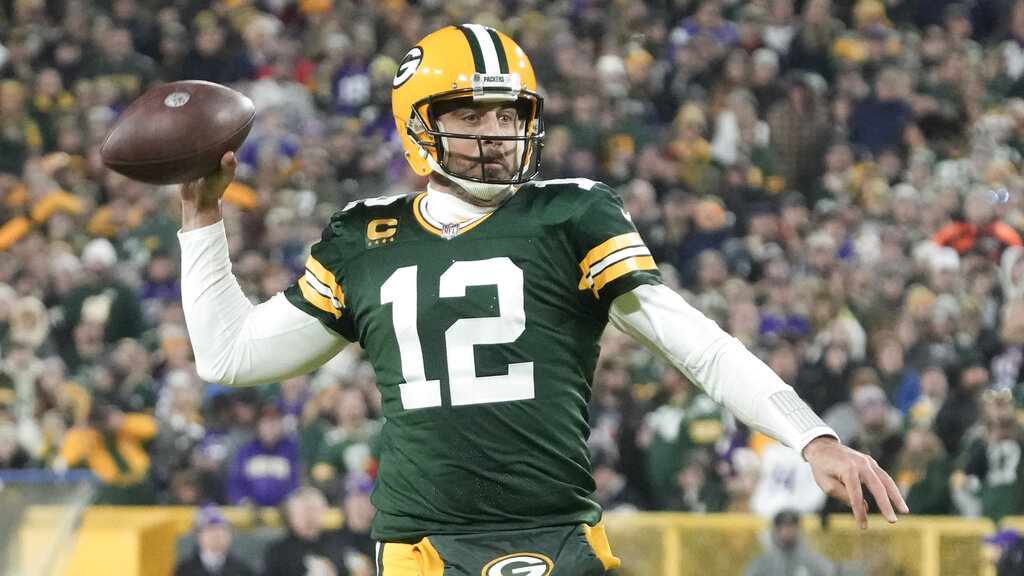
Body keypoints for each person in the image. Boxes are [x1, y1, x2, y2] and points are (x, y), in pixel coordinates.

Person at [177, 24, 907, 575]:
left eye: (507, 113)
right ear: (417, 125)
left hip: (557, 531)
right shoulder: (367, 234)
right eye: (471, 114)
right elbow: (229, 354)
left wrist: (812, 437)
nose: (496, 133)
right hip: (419, 544)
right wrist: (201, 218)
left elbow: (698, 344)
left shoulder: (571, 213)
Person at [261, 486, 349, 576]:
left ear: (324, 512)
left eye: (314, 510)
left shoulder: (337, 545)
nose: (309, 516)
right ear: (291, 516)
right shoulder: (277, 552)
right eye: (303, 510)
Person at [744, 509, 836, 576]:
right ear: (774, 531)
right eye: (783, 527)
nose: (788, 532)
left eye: (791, 527)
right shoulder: (760, 565)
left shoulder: (816, 562)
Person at [174, 503, 256, 576]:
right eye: (211, 529)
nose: (217, 535)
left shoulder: (242, 569)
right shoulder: (185, 570)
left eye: (223, 529)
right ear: (198, 535)